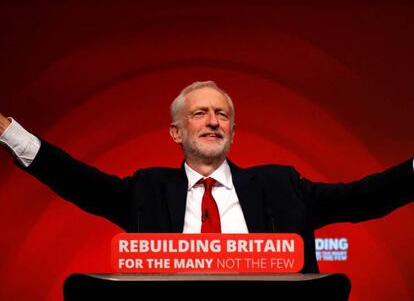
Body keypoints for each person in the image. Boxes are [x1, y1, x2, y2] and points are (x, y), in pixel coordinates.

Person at [0, 80, 413, 273]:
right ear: (177, 133)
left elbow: (365, 198)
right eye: (200, 113)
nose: (213, 121)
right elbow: (77, 182)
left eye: (223, 115)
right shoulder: (147, 189)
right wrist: (8, 133)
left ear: (232, 133)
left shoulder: (281, 185)